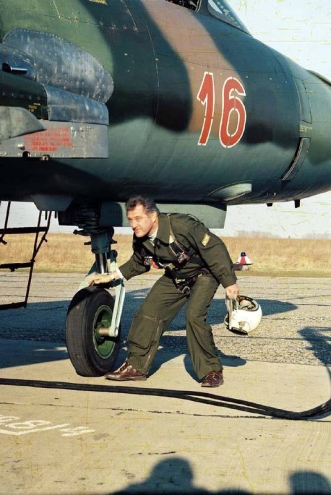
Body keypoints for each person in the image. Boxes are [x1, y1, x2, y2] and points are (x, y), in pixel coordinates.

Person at [88, 196, 239, 387]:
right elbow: (139, 262)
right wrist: (112, 276)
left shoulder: (182, 226)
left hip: (204, 274)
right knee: (148, 313)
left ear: (153, 216)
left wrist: (229, 282)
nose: (133, 225)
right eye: (130, 219)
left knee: (194, 316)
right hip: (176, 276)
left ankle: (212, 370)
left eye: (138, 218)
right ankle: (136, 367)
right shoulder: (142, 237)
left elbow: (214, 249)